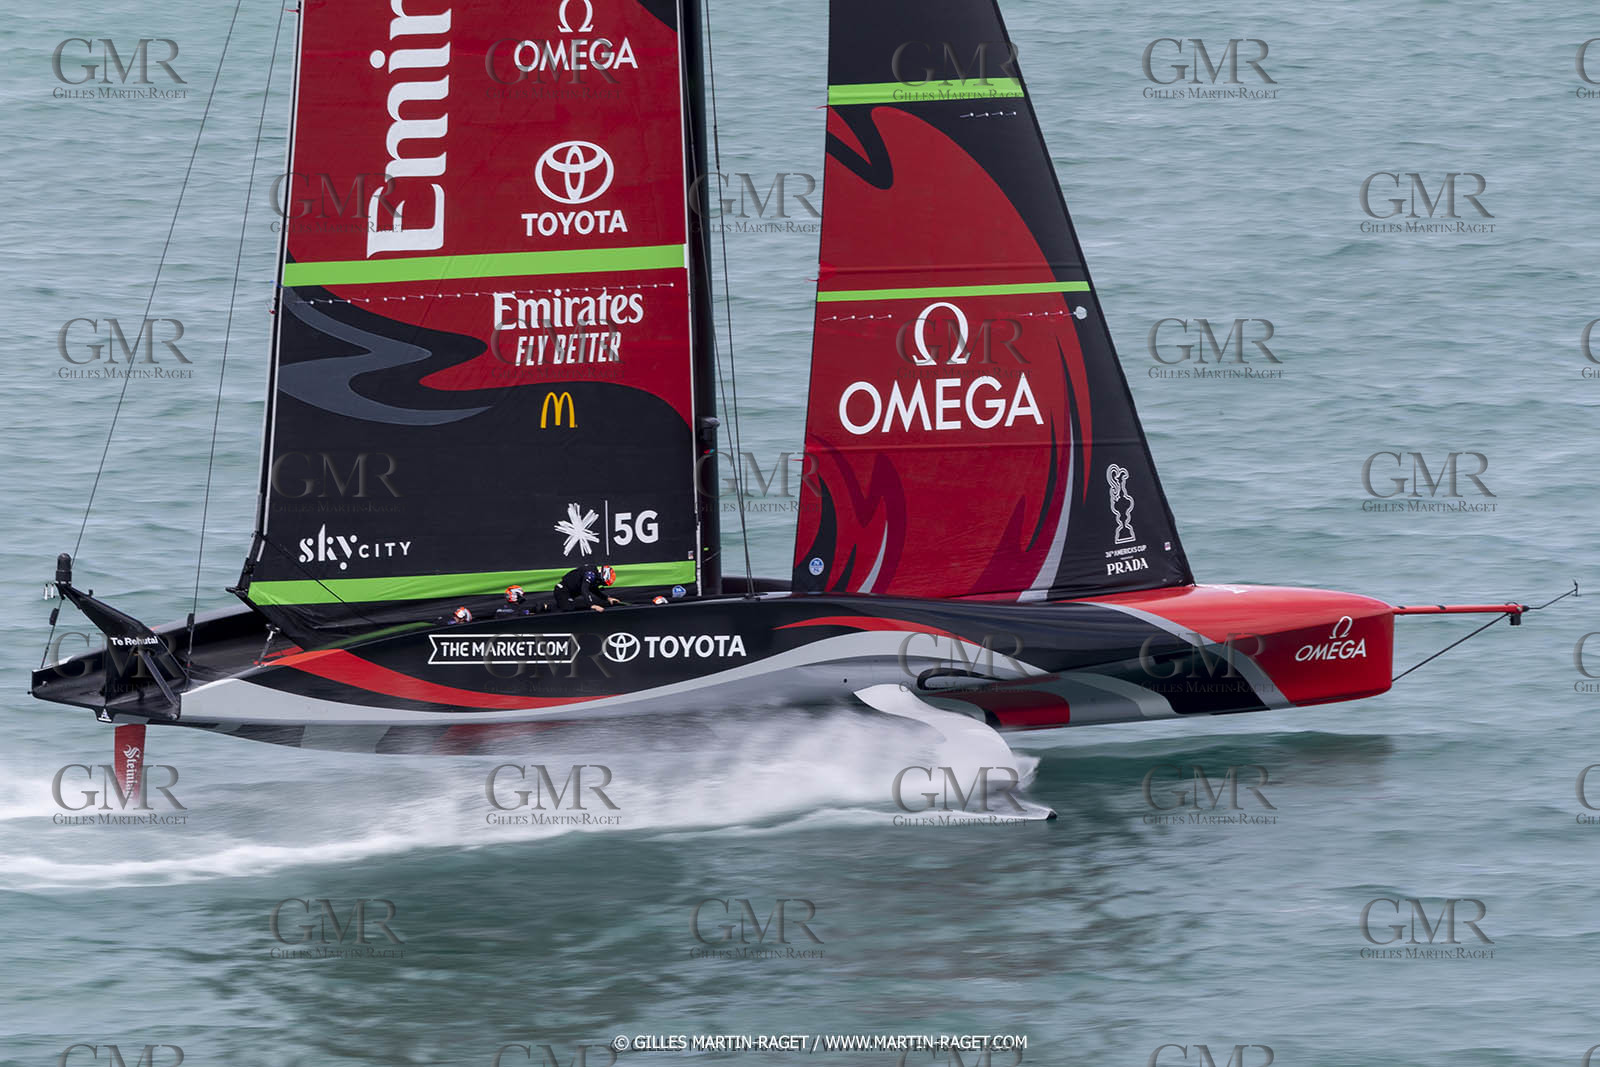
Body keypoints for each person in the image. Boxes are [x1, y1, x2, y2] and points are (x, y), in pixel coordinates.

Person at [553, 563, 622, 612]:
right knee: (569, 610)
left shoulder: (594, 575)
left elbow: (594, 590)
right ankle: (544, 606)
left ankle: (547, 606)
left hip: (569, 592)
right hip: (562, 591)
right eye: (603, 583)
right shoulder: (590, 574)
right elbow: (584, 589)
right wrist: (592, 605)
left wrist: (608, 598)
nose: (601, 584)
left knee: (567, 606)